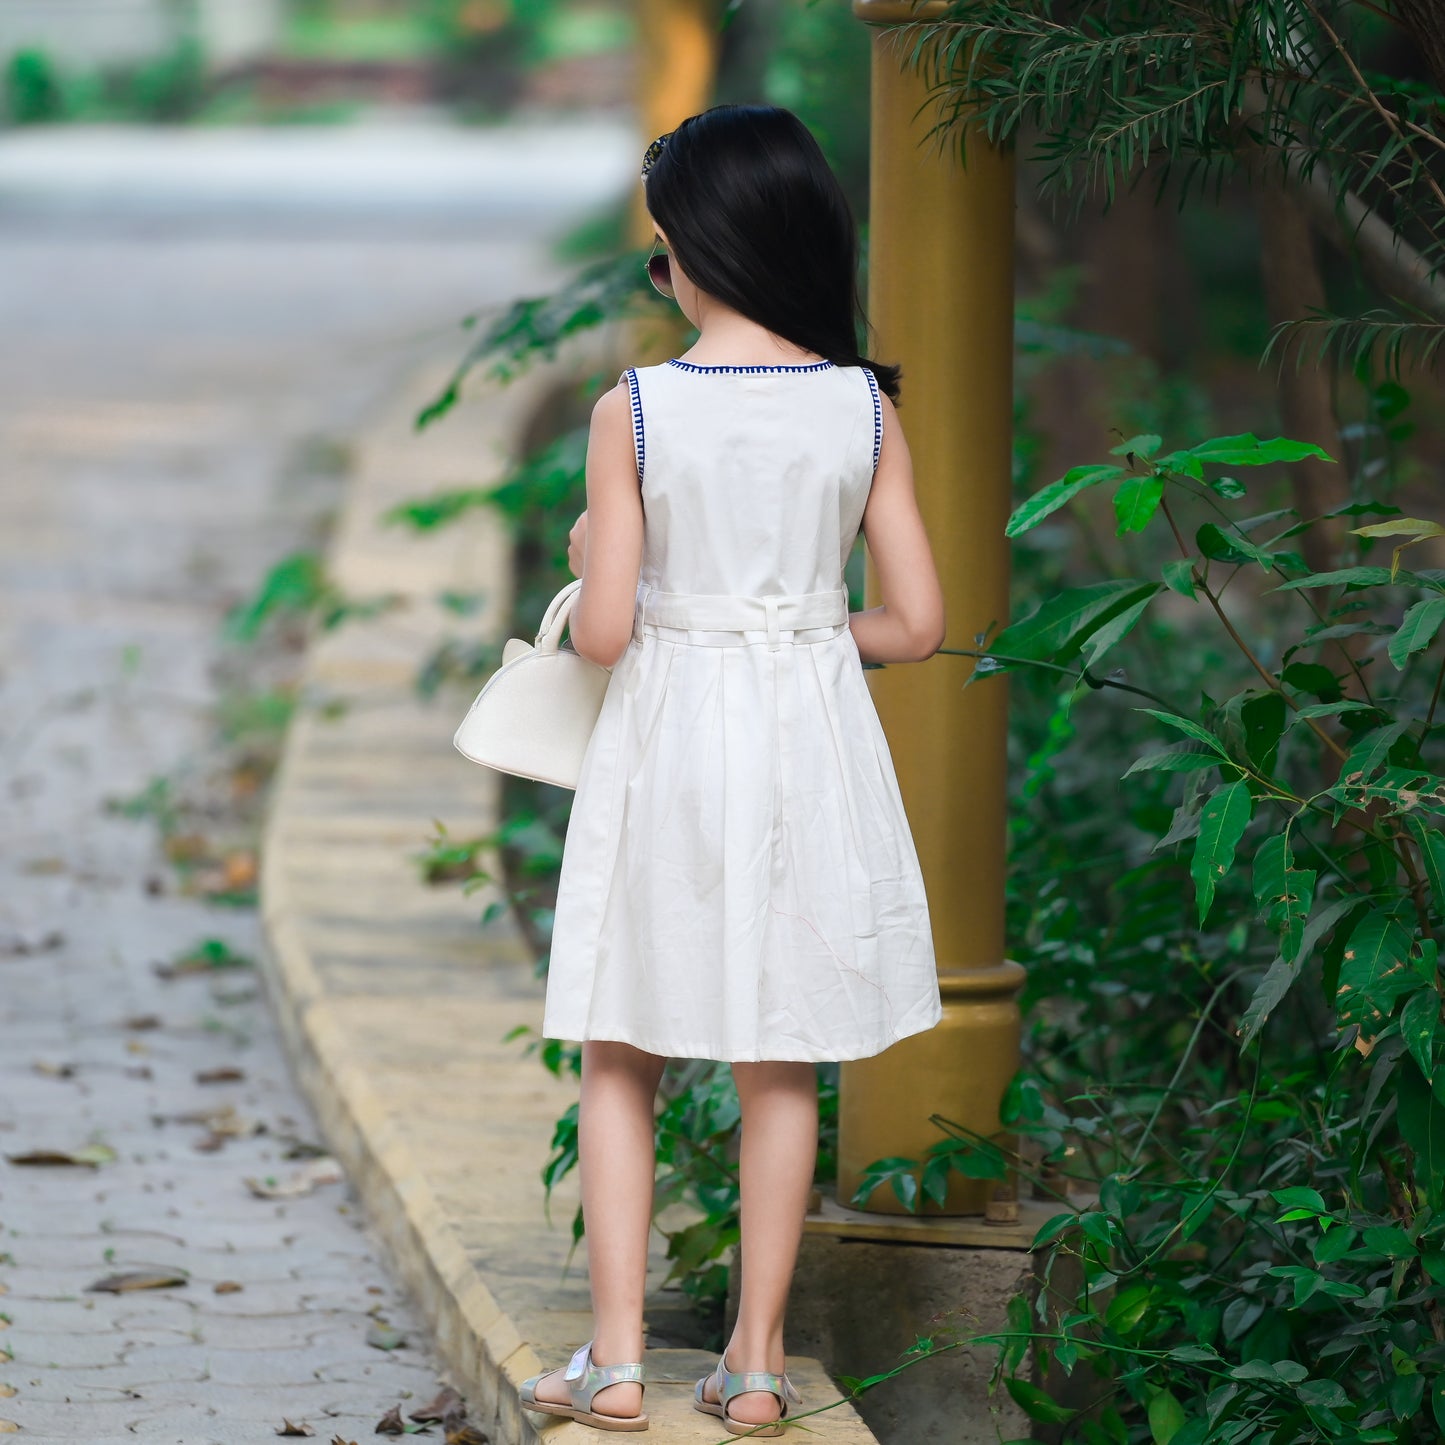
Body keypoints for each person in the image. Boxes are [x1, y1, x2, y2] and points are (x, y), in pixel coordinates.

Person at [518, 104, 945, 1436]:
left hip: (671, 741)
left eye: (662, 250)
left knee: (621, 1048)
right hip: (807, 738)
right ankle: (756, 1366)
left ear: (699, 249)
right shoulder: (860, 409)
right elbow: (918, 624)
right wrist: (806, 633)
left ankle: (618, 1357)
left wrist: (598, 550)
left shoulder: (634, 409)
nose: (664, 270)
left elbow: (601, 631)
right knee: (781, 1055)